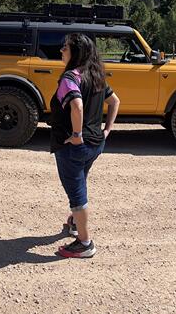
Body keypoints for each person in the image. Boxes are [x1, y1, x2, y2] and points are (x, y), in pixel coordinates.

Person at [51, 33, 119, 258]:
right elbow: (115, 101)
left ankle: (84, 243)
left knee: (77, 193)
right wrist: (107, 130)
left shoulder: (71, 77)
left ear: (76, 53)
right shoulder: (95, 75)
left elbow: (77, 107)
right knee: (79, 180)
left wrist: (77, 134)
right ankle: (74, 223)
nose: (61, 50)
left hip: (75, 146)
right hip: (95, 144)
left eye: (65, 48)